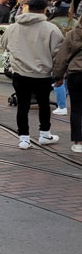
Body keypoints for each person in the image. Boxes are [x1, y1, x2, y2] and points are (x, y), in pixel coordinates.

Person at [0, 0, 64, 149]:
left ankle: (24, 138)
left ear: (28, 7)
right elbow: (58, 52)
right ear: (45, 9)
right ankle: (44, 133)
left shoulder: (14, 27)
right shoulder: (51, 29)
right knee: (44, 104)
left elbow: (4, 44)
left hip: (20, 72)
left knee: (22, 105)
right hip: (43, 73)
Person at [52, 17, 82, 153]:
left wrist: (58, 76)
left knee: (76, 109)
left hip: (75, 73)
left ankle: (78, 142)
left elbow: (62, 57)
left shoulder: (72, 34)